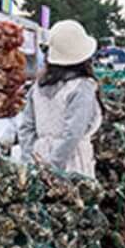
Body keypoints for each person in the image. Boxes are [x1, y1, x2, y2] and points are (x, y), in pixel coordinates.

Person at [18, 20, 103, 177]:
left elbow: (26, 127)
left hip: (39, 157)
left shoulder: (39, 86)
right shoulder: (82, 87)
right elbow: (73, 134)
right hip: (72, 162)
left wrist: (30, 160)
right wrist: (53, 168)